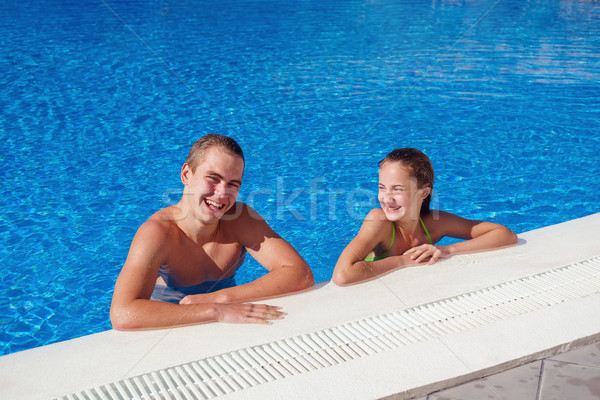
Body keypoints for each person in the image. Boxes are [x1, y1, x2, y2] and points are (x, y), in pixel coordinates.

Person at [110, 134, 314, 329]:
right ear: (186, 174)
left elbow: (301, 275)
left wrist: (221, 299)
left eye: (233, 184)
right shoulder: (158, 233)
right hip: (170, 323)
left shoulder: (239, 220)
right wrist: (215, 311)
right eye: (213, 178)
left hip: (230, 312)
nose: (222, 193)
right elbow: (123, 312)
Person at [332, 148, 518, 286]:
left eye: (397, 189)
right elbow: (342, 275)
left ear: (424, 191)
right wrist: (403, 261)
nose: (387, 198)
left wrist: (447, 250)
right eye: (382, 188)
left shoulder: (434, 223)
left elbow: (505, 234)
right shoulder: (379, 222)